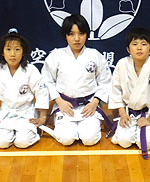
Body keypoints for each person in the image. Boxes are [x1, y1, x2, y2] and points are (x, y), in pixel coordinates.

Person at [41, 14, 112, 146]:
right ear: (65, 35)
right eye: (72, 34)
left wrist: (95, 102)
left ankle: (86, 126)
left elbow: (106, 82)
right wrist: (59, 101)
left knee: (89, 139)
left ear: (87, 35)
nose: (77, 39)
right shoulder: (56, 55)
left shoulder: (95, 55)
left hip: (88, 105)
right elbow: (47, 81)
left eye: (81, 33)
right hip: (65, 105)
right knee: (66, 139)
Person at [0, 29, 50, 148]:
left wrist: (42, 117)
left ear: (23, 52)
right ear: (2, 52)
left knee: (23, 142)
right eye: (8, 49)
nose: (13, 54)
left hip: (26, 112)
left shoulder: (31, 70)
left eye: (17, 49)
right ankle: (8, 133)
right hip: (6, 112)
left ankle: (28, 132)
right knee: (1, 142)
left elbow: (41, 92)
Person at [108, 28, 150, 159]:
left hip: (148, 112)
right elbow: (116, 89)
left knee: (146, 143)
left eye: (144, 44)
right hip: (129, 112)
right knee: (124, 142)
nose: (139, 48)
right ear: (128, 49)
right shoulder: (122, 64)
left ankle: (146, 128)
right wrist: (122, 114)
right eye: (135, 44)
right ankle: (131, 129)